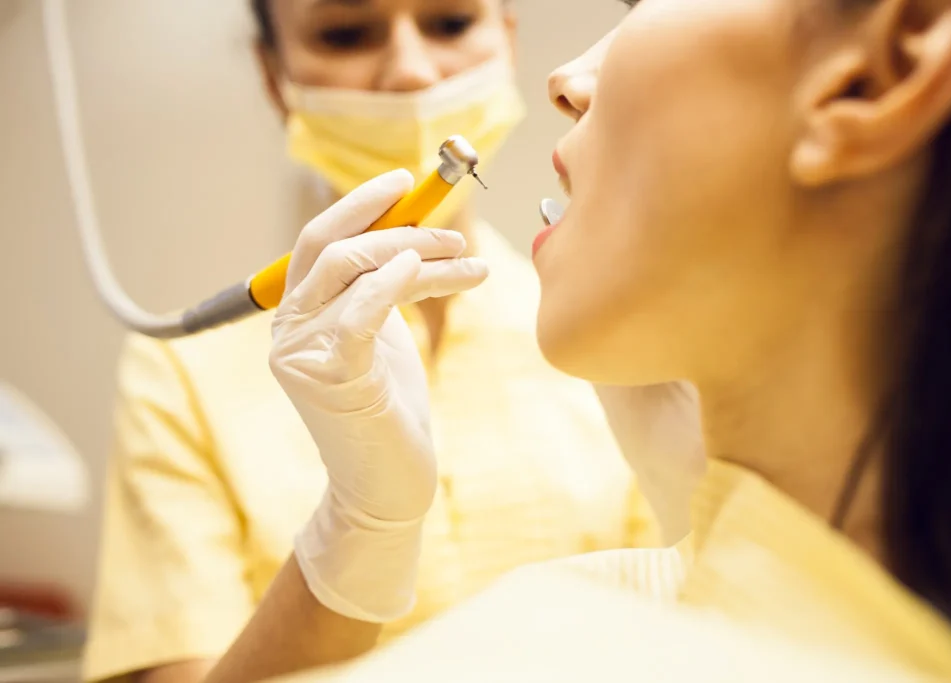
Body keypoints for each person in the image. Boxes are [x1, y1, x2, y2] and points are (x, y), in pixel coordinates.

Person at [182, 0, 951, 679]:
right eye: (346, 30)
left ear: (886, 69)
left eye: (644, 0)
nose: (568, 79)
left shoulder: (530, 644)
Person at [82, 2, 688, 681]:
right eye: (346, 34)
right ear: (271, 71)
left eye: (450, 23)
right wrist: (354, 537)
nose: (410, 71)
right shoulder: (181, 375)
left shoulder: (601, 331)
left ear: (507, 40)